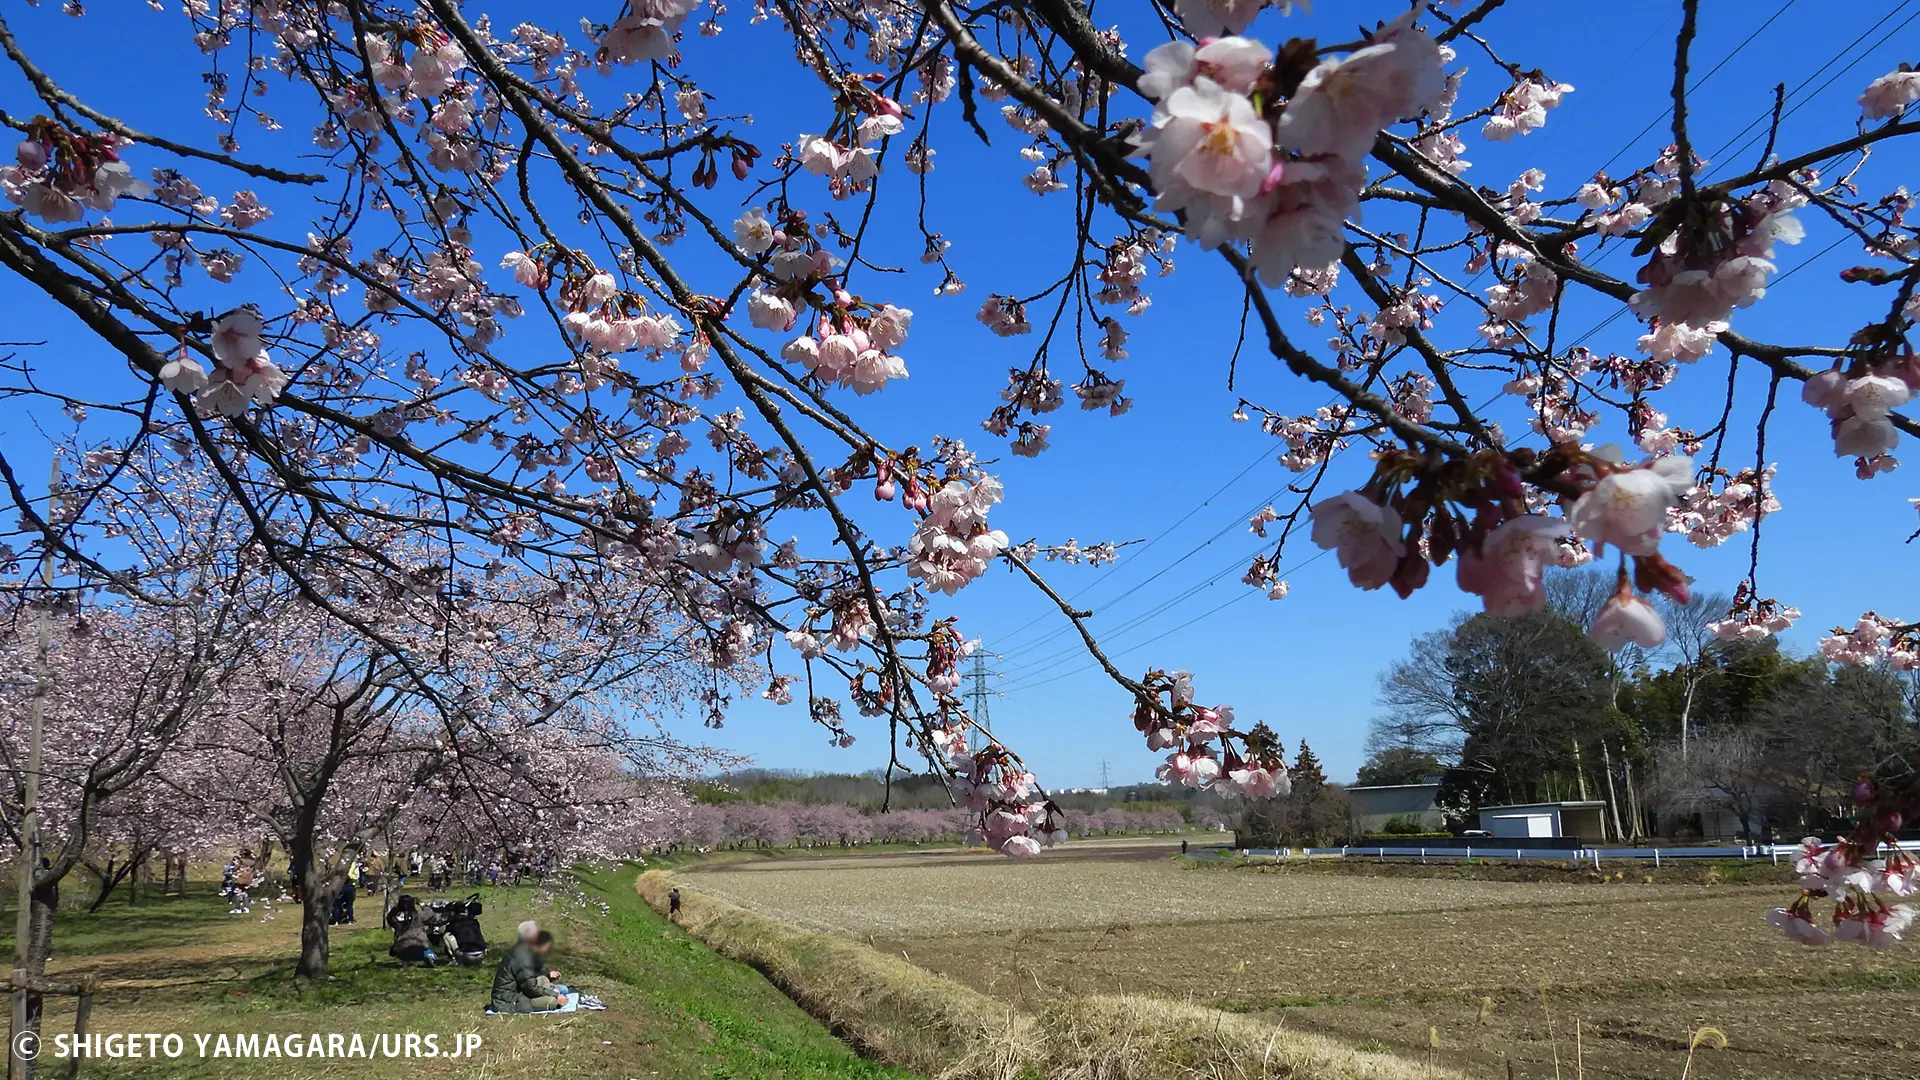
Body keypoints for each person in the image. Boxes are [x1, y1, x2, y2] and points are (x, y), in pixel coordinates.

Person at [491, 923, 569, 1013]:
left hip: (519, 992)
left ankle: (553, 990)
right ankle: (554, 991)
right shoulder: (522, 958)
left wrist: (547, 975)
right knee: (551, 1001)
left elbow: (528, 977)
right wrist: (555, 995)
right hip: (508, 1001)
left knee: (543, 979)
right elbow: (531, 989)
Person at [387, 895, 437, 966]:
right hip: (419, 944)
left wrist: (397, 907)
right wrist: (422, 904)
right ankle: (428, 956)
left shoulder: (394, 918)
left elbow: (389, 917)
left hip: (401, 947)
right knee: (424, 952)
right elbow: (430, 913)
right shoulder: (418, 916)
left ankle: (406, 961)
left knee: (398, 950)